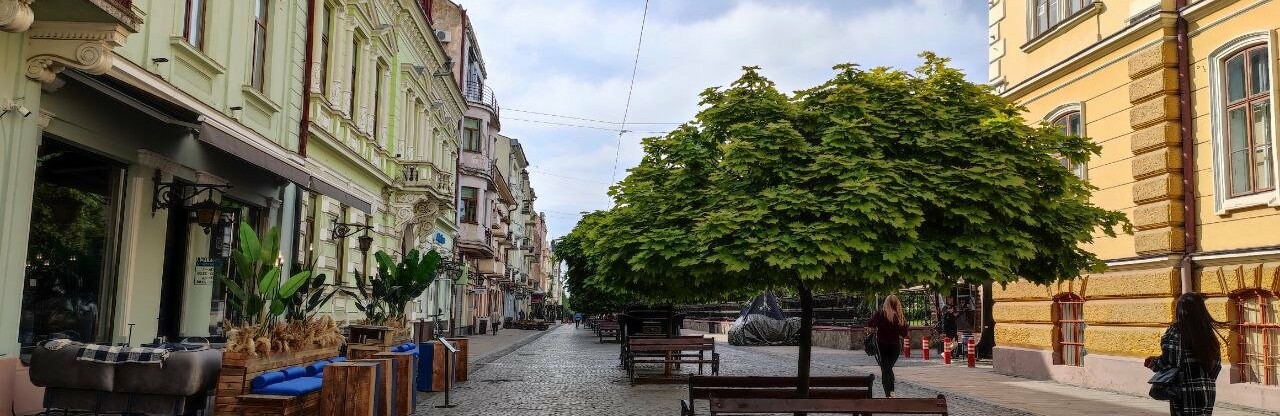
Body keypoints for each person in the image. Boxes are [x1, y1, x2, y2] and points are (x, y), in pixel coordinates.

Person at [1145, 293, 1222, 416]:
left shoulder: (1176, 332)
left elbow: (1169, 362)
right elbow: (1216, 367)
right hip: (1206, 392)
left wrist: (1153, 363)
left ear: (1180, 311)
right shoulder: (1208, 334)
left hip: (1183, 393)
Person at [867, 294, 909, 397]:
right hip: (895, 346)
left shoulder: (881, 313)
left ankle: (889, 392)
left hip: (882, 345)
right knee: (888, 368)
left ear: (886, 303)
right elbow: (904, 334)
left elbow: (870, 323)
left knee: (886, 368)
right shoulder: (899, 316)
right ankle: (891, 392)